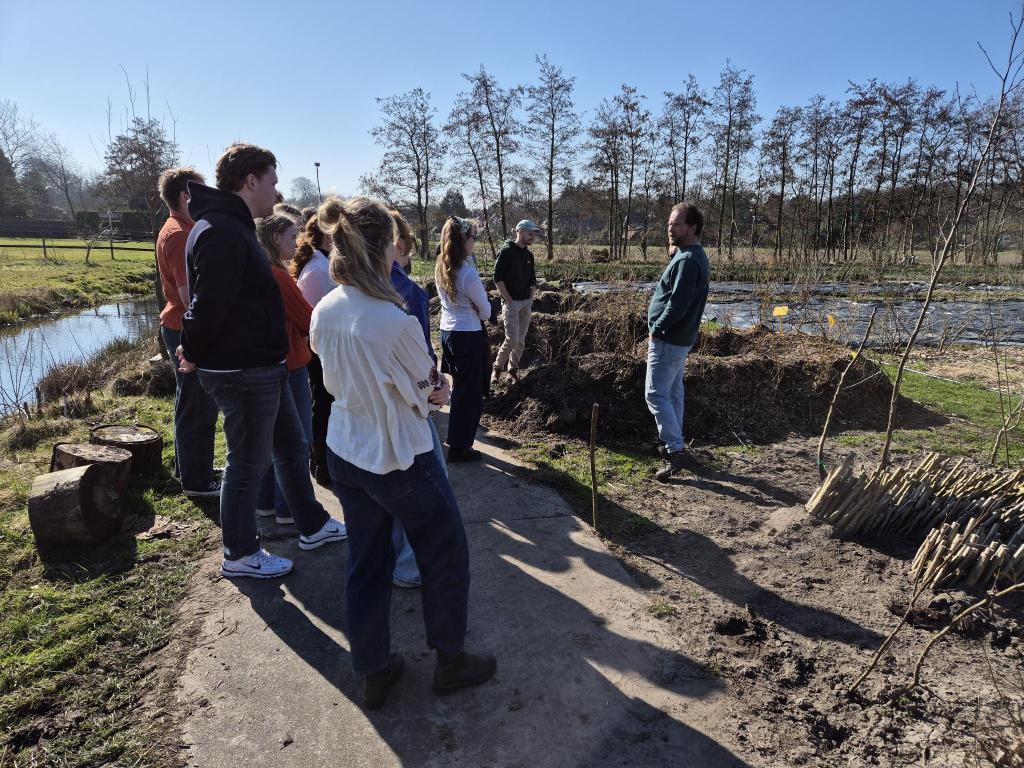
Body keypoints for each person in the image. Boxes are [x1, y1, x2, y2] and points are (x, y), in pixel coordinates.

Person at [310, 196, 496, 710]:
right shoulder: (394, 321)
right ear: (384, 248)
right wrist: (447, 384)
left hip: (346, 449)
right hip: (399, 455)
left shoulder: (325, 307)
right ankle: (451, 661)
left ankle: (372, 669)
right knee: (445, 551)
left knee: (365, 561)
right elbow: (428, 393)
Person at [178, 143, 346, 579]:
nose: (277, 190)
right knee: (247, 463)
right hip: (241, 370)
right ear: (250, 180)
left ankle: (311, 525)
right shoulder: (220, 231)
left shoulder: (231, 227)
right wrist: (192, 353)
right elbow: (206, 305)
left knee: (290, 447)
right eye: (272, 180)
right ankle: (239, 552)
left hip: (261, 365)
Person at [387, 210, 445, 589]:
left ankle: (395, 556)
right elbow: (422, 354)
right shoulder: (408, 292)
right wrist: (436, 386)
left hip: (367, 412)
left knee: (389, 485)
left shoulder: (339, 296)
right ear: (400, 245)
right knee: (426, 482)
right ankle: (411, 564)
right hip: (409, 403)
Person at [155, 167, 220, 498]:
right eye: (201, 190)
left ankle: (193, 467)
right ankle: (197, 481)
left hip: (179, 326)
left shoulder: (178, 228)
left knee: (190, 401)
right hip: (185, 329)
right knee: (198, 405)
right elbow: (187, 294)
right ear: (185, 195)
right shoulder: (180, 234)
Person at [254, 213, 316, 526]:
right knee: (297, 438)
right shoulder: (278, 276)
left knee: (271, 438)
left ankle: (266, 502)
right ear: (276, 237)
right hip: (291, 363)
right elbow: (308, 319)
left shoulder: (259, 269)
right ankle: (289, 508)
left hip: (271, 363)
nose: (297, 243)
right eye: (292, 237)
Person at [646, 202, 710, 482]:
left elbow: (678, 305)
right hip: (679, 339)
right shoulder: (690, 254)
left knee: (655, 394)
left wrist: (657, 329)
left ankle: (674, 450)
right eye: (669, 223)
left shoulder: (687, 260)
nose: (670, 228)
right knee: (672, 394)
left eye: (677, 224)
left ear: (692, 227)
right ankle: (675, 443)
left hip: (669, 338)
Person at [435, 216, 491, 462]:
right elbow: (486, 311)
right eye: (473, 238)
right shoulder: (467, 273)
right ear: (463, 240)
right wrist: (480, 308)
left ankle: (457, 441)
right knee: (469, 394)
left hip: (448, 333)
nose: (475, 243)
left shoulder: (442, 266)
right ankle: (460, 446)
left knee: (460, 389)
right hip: (468, 334)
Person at [292, 214, 337, 486]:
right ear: (327, 235)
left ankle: (320, 459)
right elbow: (315, 316)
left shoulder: (320, 264)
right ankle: (321, 462)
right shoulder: (319, 270)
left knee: (322, 400)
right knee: (323, 402)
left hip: (319, 344)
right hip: (318, 347)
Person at [491, 219, 540, 386]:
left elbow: (533, 280)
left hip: (526, 303)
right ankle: (497, 369)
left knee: (520, 341)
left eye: (534, 234)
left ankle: (512, 370)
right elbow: (497, 278)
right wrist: (508, 299)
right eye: (530, 233)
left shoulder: (529, 255)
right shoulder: (506, 252)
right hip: (512, 303)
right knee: (511, 339)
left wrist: (530, 300)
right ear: (519, 232)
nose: (532, 236)